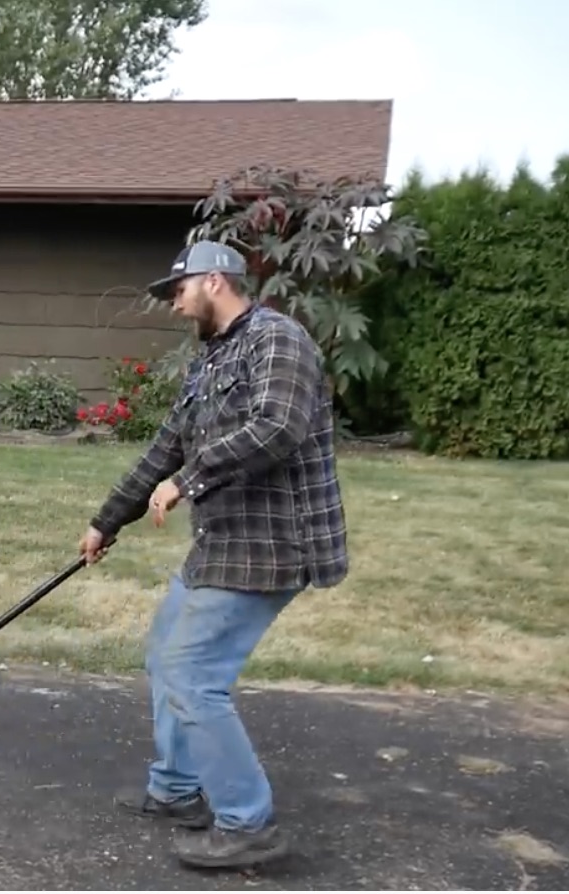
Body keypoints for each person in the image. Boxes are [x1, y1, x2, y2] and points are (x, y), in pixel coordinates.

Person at [78, 240, 349, 870]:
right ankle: (176, 789)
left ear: (216, 281)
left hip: (276, 542)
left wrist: (188, 481)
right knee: (164, 654)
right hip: (224, 543)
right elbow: (163, 449)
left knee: (192, 673)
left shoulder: (278, 340)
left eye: (179, 289)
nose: (174, 303)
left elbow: (277, 428)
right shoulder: (210, 361)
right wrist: (106, 521)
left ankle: (248, 824)